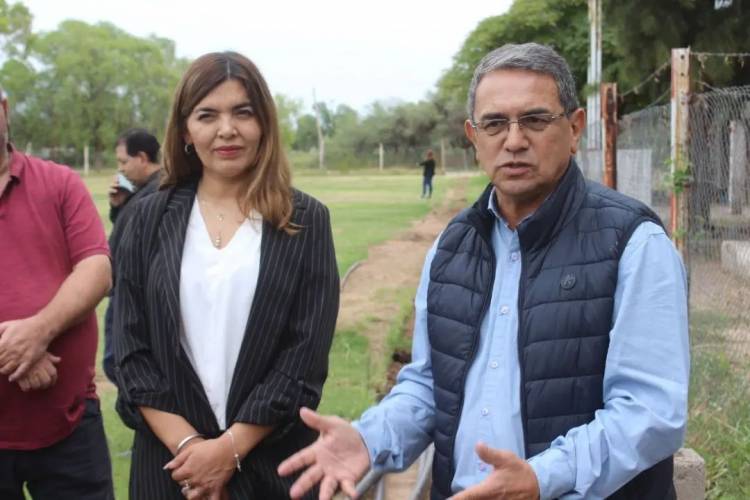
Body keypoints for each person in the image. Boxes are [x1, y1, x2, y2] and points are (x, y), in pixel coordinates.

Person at [278, 43, 689, 500]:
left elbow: (650, 413)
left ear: (574, 129)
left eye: (534, 120)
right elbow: (430, 388)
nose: (513, 140)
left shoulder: (633, 243)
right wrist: (370, 438)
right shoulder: (451, 247)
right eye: (495, 123)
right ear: (474, 137)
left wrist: (540, 479)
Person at [113, 51, 339, 499]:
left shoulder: (306, 220)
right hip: (170, 468)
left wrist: (228, 451)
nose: (227, 130)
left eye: (243, 112)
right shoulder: (144, 218)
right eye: (207, 115)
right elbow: (130, 351)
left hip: (274, 467)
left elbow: (303, 358)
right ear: (185, 132)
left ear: (264, 124)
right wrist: (193, 451)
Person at [0, 87, 114, 498]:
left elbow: (96, 268)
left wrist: (39, 331)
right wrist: (15, 352)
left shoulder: (59, 183)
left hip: (70, 426)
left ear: (4, 109)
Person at [102, 128, 162, 383]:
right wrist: (120, 206)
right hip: (125, 291)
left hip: (134, 298)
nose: (121, 170)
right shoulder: (143, 192)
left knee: (123, 366)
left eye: (124, 162)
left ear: (142, 158)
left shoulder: (159, 193)